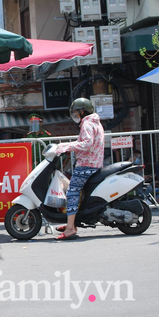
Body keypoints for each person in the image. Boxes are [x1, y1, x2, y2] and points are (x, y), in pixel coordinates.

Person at [54, 98, 105, 240]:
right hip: (93, 163)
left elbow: (87, 144)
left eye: (77, 112)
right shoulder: (95, 122)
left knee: (72, 192)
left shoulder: (87, 124)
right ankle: (72, 222)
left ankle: (70, 228)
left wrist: (67, 147)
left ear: (83, 111)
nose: (75, 115)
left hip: (86, 165)